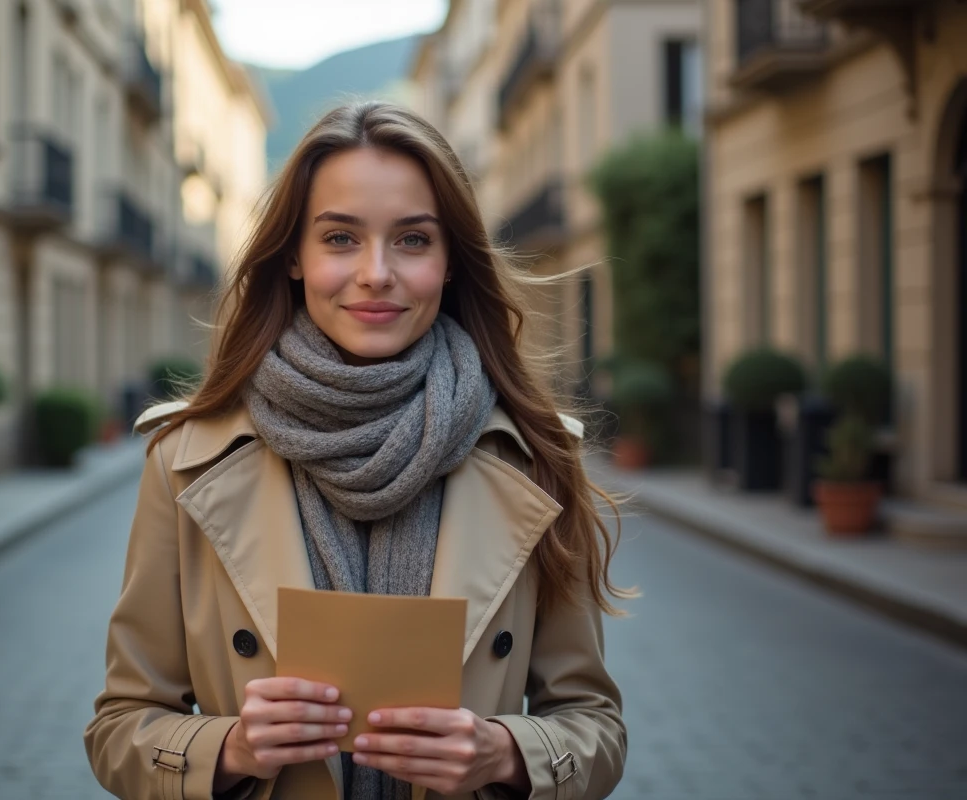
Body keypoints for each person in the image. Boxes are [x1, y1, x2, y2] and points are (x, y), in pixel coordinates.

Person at [84, 101, 628, 800]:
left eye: (412, 240)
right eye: (340, 238)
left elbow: (596, 726)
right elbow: (119, 727)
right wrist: (232, 748)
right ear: (293, 257)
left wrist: (502, 752)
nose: (376, 273)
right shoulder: (186, 458)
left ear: (451, 262)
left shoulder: (537, 456)